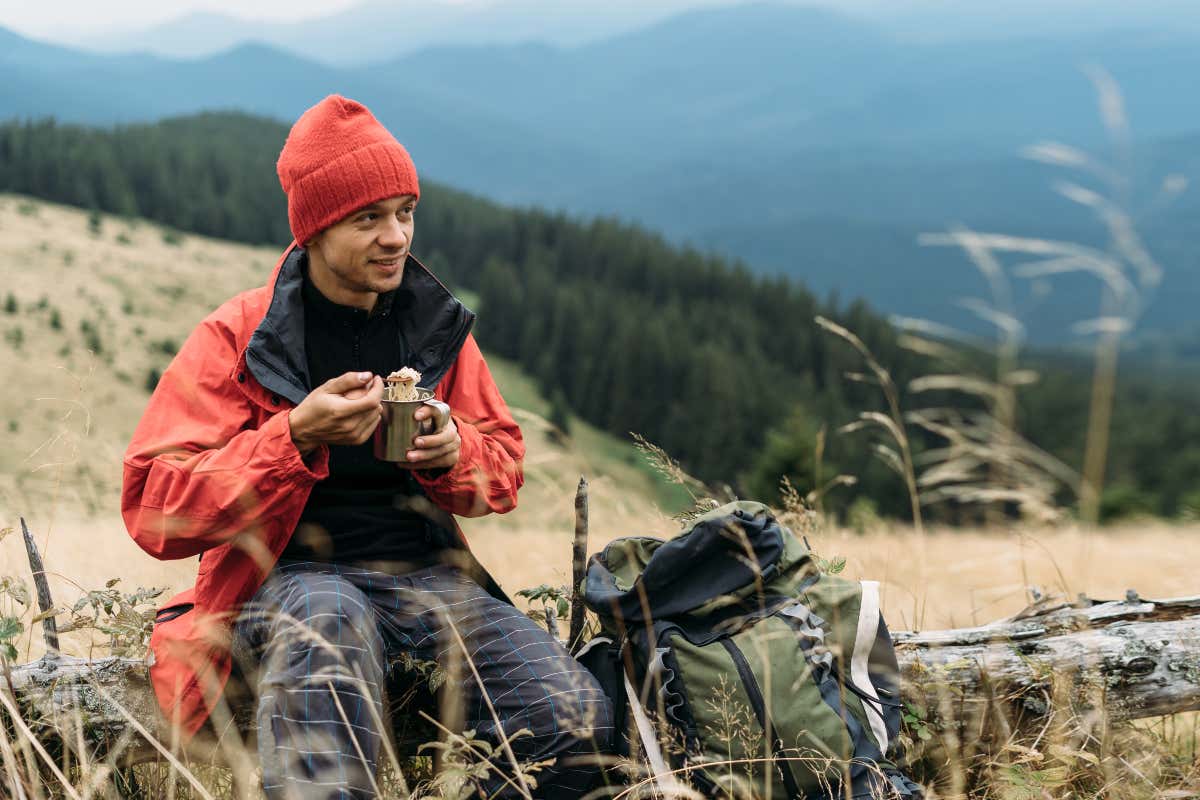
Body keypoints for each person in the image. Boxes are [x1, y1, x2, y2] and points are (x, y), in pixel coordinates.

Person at [121, 95, 612, 799]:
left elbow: (503, 471)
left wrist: (455, 452)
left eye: (406, 212)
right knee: (331, 620)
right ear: (315, 230)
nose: (396, 237)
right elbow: (153, 507)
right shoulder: (241, 337)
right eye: (369, 219)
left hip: (429, 583)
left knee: (576, 721)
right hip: (292, 582)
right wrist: (293, 438)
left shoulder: (432, 328)